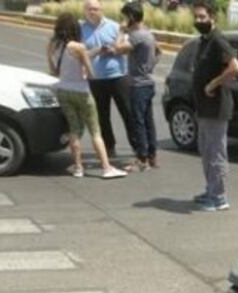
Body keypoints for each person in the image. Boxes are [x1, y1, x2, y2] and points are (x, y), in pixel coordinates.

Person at [47, 13, 126, 179]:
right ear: (75, 28)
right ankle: (106, 167)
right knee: (95, 131)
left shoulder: (55, 45)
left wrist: (96, 51)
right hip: (82, 92)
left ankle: (77, 168)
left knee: (74, 129)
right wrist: (85, 73)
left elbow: (54, 70)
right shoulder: (79, 47)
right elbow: (90, 72)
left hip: (63, 90)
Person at [191, 0, 238, 212]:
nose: (198, 20)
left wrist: (213, 83)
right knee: (206, 151)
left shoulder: (218, 40)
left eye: (202, 17)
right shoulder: (204, 40)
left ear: (212, 18)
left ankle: (219, 197)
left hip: (216, 108)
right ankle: (211, 190)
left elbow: (235, 68)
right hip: (204, 108)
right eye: (196, 17)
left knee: (216, 153)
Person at [81, 0, 132, 159]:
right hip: (96, 78)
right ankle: (109, 147)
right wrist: (96, 52)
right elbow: (79, 53)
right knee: (102, 116)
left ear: (101, 10)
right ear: (85, 11)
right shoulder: (81, 29)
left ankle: (138, 148)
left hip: (118, 76)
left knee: (128, 112)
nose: (93, 12)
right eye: (90, 9)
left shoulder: (114, 27)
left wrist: (114, 50)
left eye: (96, 9)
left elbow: (128, 47)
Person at [114, 2, 160, 171]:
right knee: (148, 121)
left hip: (138, 85)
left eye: (125, 17)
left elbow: (118, 48)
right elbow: (159, 52)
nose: (123, 20)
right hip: (148, 82)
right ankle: (152, 155)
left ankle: (142, 159)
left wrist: (120, 31)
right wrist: (149, 67)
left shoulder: (136, 36)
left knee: (138, 121)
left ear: (131, 17)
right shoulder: (148, 34)